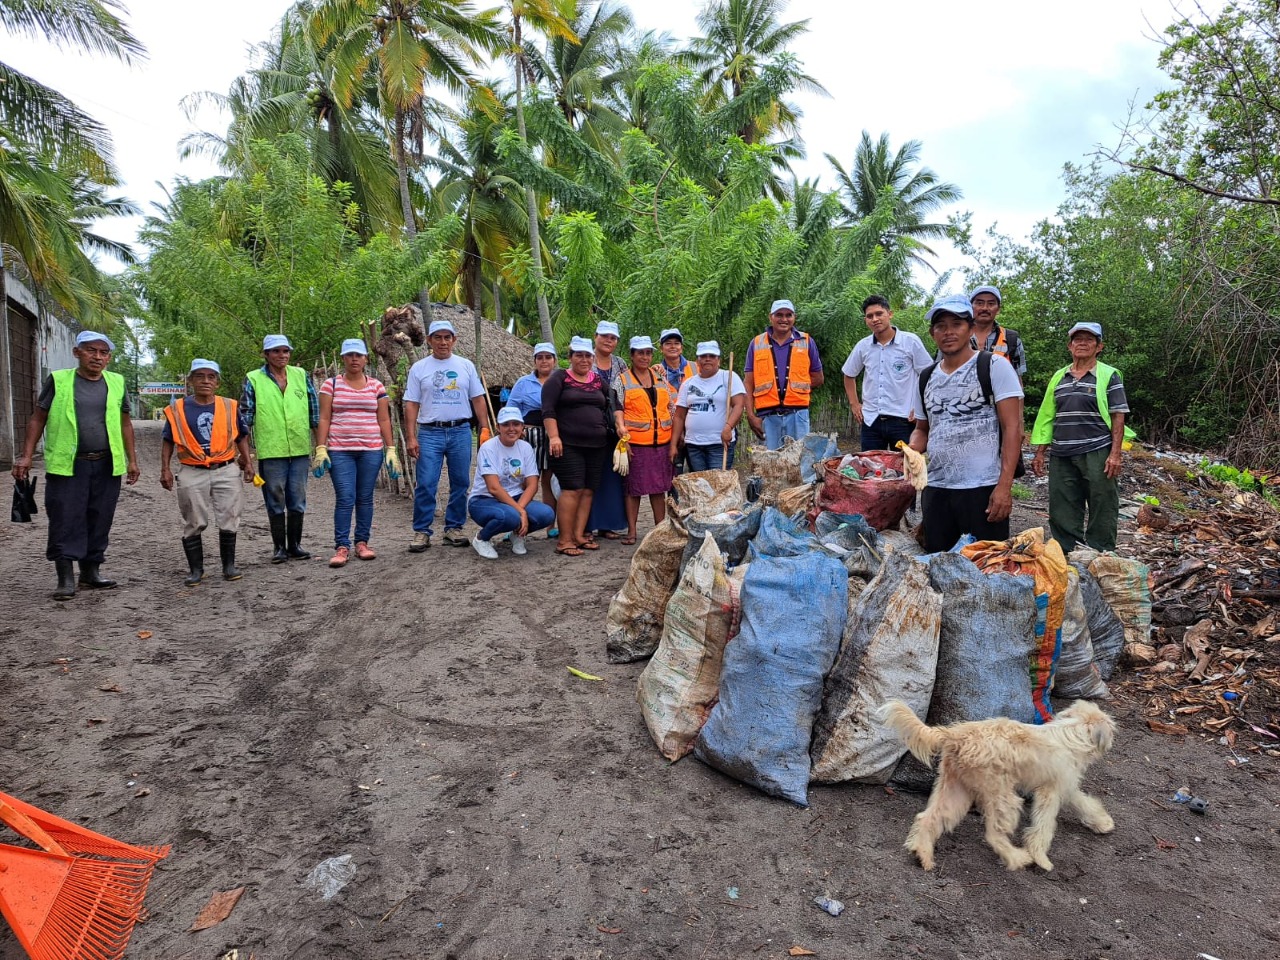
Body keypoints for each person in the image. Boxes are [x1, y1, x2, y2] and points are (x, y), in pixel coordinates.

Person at [11, 330, 139, 600]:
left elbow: (125, 423)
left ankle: (91, 573)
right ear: (77, 352)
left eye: (103, 353)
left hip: (106, 465)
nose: (97, 357)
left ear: (109, 358)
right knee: (66, 519)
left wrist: (132, 460)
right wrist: (25, 456)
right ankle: (65, 579)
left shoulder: (117, 382)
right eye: (91, 350)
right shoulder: (59, 380)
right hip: (68, 465)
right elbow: (38, 419)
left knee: (100, 517)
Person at [909, 294, 1024, 553]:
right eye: (940, 326)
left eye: (956, 324)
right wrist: (909, 451)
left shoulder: (994, 366)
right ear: (932, 333)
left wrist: (1004, 487)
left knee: (986, 567)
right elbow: (922, 429)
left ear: (970, 328)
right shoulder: (926, 377)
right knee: (939, 566)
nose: (948, 332)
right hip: (936, 489)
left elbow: (1012, 429)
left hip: (982, 489)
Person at [1030, 322, 1129, 554]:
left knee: (1102, 502)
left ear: (1099, 346)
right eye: (1077, 339)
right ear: (1069, 346)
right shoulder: (1059, 376)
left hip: (1097, 450)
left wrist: (1116, 454)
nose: (1082, 343)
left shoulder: (1108, 375)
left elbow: (1118, 416)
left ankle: (1100, 552)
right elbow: (1047, 415)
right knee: (1062, 505)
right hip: (1062, 452)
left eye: (1089, 339)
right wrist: (1041, 452)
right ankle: (1068, 552)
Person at [160, 359, 254, 584]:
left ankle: (229, 566)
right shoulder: (178, 409)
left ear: (217, 383)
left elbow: (241, 435)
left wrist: (248, 462)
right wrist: (165, 468)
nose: (205, 381)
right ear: (190, 380)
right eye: (200, 376)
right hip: (192, 470)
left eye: (211, 377)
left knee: (230, 515)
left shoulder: (229, 406)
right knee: (194, 518)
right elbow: (167, 439)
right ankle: (196, 570)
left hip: (226, 468)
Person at [403, 319, 490, 552]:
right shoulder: (419, 368)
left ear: (454, 340)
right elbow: (411, 403)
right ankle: (422, 531)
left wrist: (485, 427)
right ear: (430, 341)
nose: (443, 342)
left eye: (447, 337)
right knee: (426, 483)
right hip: (429, 432)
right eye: (438, 337)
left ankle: (454, 527)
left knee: (461, 482)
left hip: (460, 430)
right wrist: (411, 436)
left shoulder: (465, 366)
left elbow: (478, 399)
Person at [314, 339, 399, 567]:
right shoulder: (330, 385)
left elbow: (383, 418)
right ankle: (342, 546)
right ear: (343, 358)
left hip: (370, 450)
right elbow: (324, 417)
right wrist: (321, 448)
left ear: (365, 359)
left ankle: (362, 542)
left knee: (365, 497)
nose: (354, 359)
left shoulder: (376, 387)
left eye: (358, 355)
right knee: (345, 498)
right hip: (340, 450)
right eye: (350, 355)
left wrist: (390, 448)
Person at [242, 334, 319, 563]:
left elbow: (314, 412)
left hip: (299, 448)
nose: (281, 355)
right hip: (271, 449)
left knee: (297, 497)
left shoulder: (301, 375)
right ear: (266, 355)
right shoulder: (253, 379)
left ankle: (295, 545)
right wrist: (244, 455)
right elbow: (245, 419)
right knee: (275, 496)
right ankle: (279, 548)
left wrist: (320, 446)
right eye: (276, 351)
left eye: (285, 351)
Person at [543, 336, 611, 557]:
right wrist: (554, 437)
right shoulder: (559, 379)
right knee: (572, 489)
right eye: (579, 355)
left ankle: (579, 535)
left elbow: (614, 404)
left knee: (588, 490)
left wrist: (620, 425)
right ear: (570, 357)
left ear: (592, 358)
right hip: (567, 444)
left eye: (587, 355)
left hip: (597, 444)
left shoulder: (599, 381)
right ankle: (564, 540)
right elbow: (548, 410)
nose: (584, 359)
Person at [842, 294, 934, 451]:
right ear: (866, 320)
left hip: (903, 419)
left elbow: (928, 375)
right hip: (871, 420)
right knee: (871, 469)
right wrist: (854, 404)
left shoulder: (910, 342)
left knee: (906, 468)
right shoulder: (863, 346)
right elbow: (849, 374)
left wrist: (920, 407)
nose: (875, 319)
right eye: (869, 316)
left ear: (889, 314)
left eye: (879, 314)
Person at [467, 406, 556, 559]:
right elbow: (493, 488)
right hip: (484, 499)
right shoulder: (488, 448)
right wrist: (520, 511)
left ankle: (517, 534)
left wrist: (519, 508)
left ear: (522, 427)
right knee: (509, 516)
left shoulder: (525, 447)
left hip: (515, 497)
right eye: (506, 424)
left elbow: (533, 484)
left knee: (547, 514)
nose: (511, 428)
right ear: (498, 427)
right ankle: (481, 539)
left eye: (516, 424)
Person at [613, 335, 678, 544]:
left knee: (659, 488)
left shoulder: (660, 377)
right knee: (633, 489)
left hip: (662, 442)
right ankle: (632, 531)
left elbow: (671, 406)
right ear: (631, 355)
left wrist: (676, 438)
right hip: (636, 443)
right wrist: (622, 431)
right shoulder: (622, 379)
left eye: (648, 352)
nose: (644, 356)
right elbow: (617, 408)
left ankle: (659, 529)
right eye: (640, 353)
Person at [744, 298, 824, 449]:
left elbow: (818, 378)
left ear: (794, 318)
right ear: (771, 317)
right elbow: (748, 382)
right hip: (767, 416)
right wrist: (750, 415)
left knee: (799, 463)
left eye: (789, 315)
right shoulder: (756, 343)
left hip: (798, 415)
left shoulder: (806, 341)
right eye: (779, 315)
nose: (784, 319)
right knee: (770, 464)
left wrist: (794, 389)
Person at [506, 342, 560, 533]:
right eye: (540, 357)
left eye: (548, 357)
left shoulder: (562, 380)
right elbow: (511, 408)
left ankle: (550, 526)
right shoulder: (523, 383)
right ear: (535, 361)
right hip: (529, 435)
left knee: (549, 479)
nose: (544, 361)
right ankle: (514, 524)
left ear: (554, 360)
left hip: (553, 435)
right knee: (522, 479)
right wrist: (517, 430)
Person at [670, 341, 747, 472]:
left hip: (719, 443)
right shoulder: (688, 384)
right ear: (697, 361)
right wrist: (673, 445)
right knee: (701, 486)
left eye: (712, 356)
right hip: (694, 445)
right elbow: (679, 416)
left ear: (719, 360)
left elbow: (739, 405)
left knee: (718, 486)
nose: (707, 359)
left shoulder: (728, 377)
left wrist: (728, 427)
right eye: (703, 356)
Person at [587, 319, 628, 539]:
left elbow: (630, 385)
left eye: (612, 338)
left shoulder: (620, 363)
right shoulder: (585, 359)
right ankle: (587, 525)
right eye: (604, 336)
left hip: (615, 427)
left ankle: (607, 525)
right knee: (591, 476)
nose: (608, 341)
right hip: (590, 426)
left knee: (612, 476)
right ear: (596, 337)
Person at [968, 285, 1026, 381]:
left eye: (991, 304)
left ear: (998, 309)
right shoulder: (956, 336)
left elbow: (1018, 380)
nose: (985, 308)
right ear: (971, 307)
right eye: (979, 303)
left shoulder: (1011, 339)